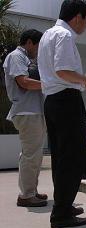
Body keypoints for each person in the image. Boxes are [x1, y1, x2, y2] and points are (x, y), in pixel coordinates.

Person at [38, 0, 86, 228]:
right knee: (72, 157)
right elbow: (63, 70)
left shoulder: (47, 35)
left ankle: (64, 204)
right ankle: (61, 212)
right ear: (77, 18)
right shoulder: (64, 36)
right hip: (66, 100)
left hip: (52, 101)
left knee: (61, 157)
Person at [3, 29, 47, 207]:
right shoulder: (16, 56)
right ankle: (26, 195)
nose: (38, 51)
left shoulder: (27, 59)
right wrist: (50, 85)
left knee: (34, 155)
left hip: (33, 112)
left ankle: (31, 191)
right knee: (31, 155)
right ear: (29, 42)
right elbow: (24, 82)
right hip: (27, 112)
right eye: (37, 47)